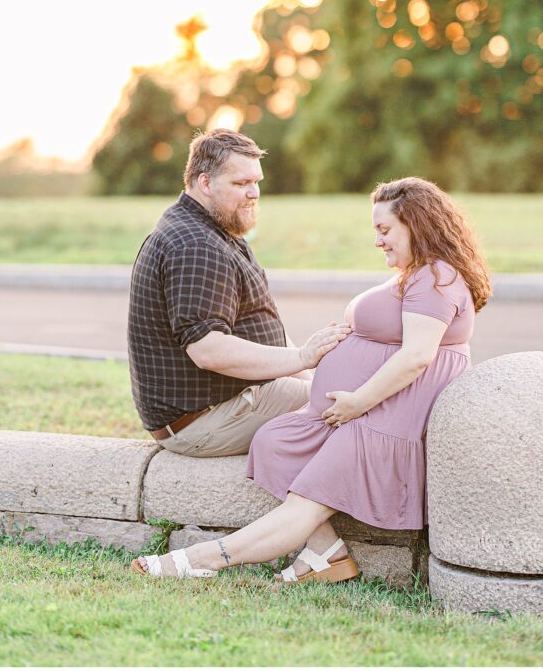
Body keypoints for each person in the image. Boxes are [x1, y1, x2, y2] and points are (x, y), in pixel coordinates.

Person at [131, 176, 492, 580]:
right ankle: (325, 555)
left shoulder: (436, 277)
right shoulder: (415, 273)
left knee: (305, 504)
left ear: (417, 224)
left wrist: (359, 401)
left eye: (385, 229)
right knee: (274, 443)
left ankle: (201, 560)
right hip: (359, 409)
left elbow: (416, 357)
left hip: (386, 417)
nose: (379, 241)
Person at [127, 128, 350, 458]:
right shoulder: (196, 245)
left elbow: (261, 324)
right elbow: (208, 350)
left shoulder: (216, 231)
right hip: (205, 421)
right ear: (205, 183)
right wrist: (303, 357)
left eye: (256, 182)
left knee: (346, 389)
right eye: (241, 183)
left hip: (230, 403)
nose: (254, 193)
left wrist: (311, 371)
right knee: (355, 407)